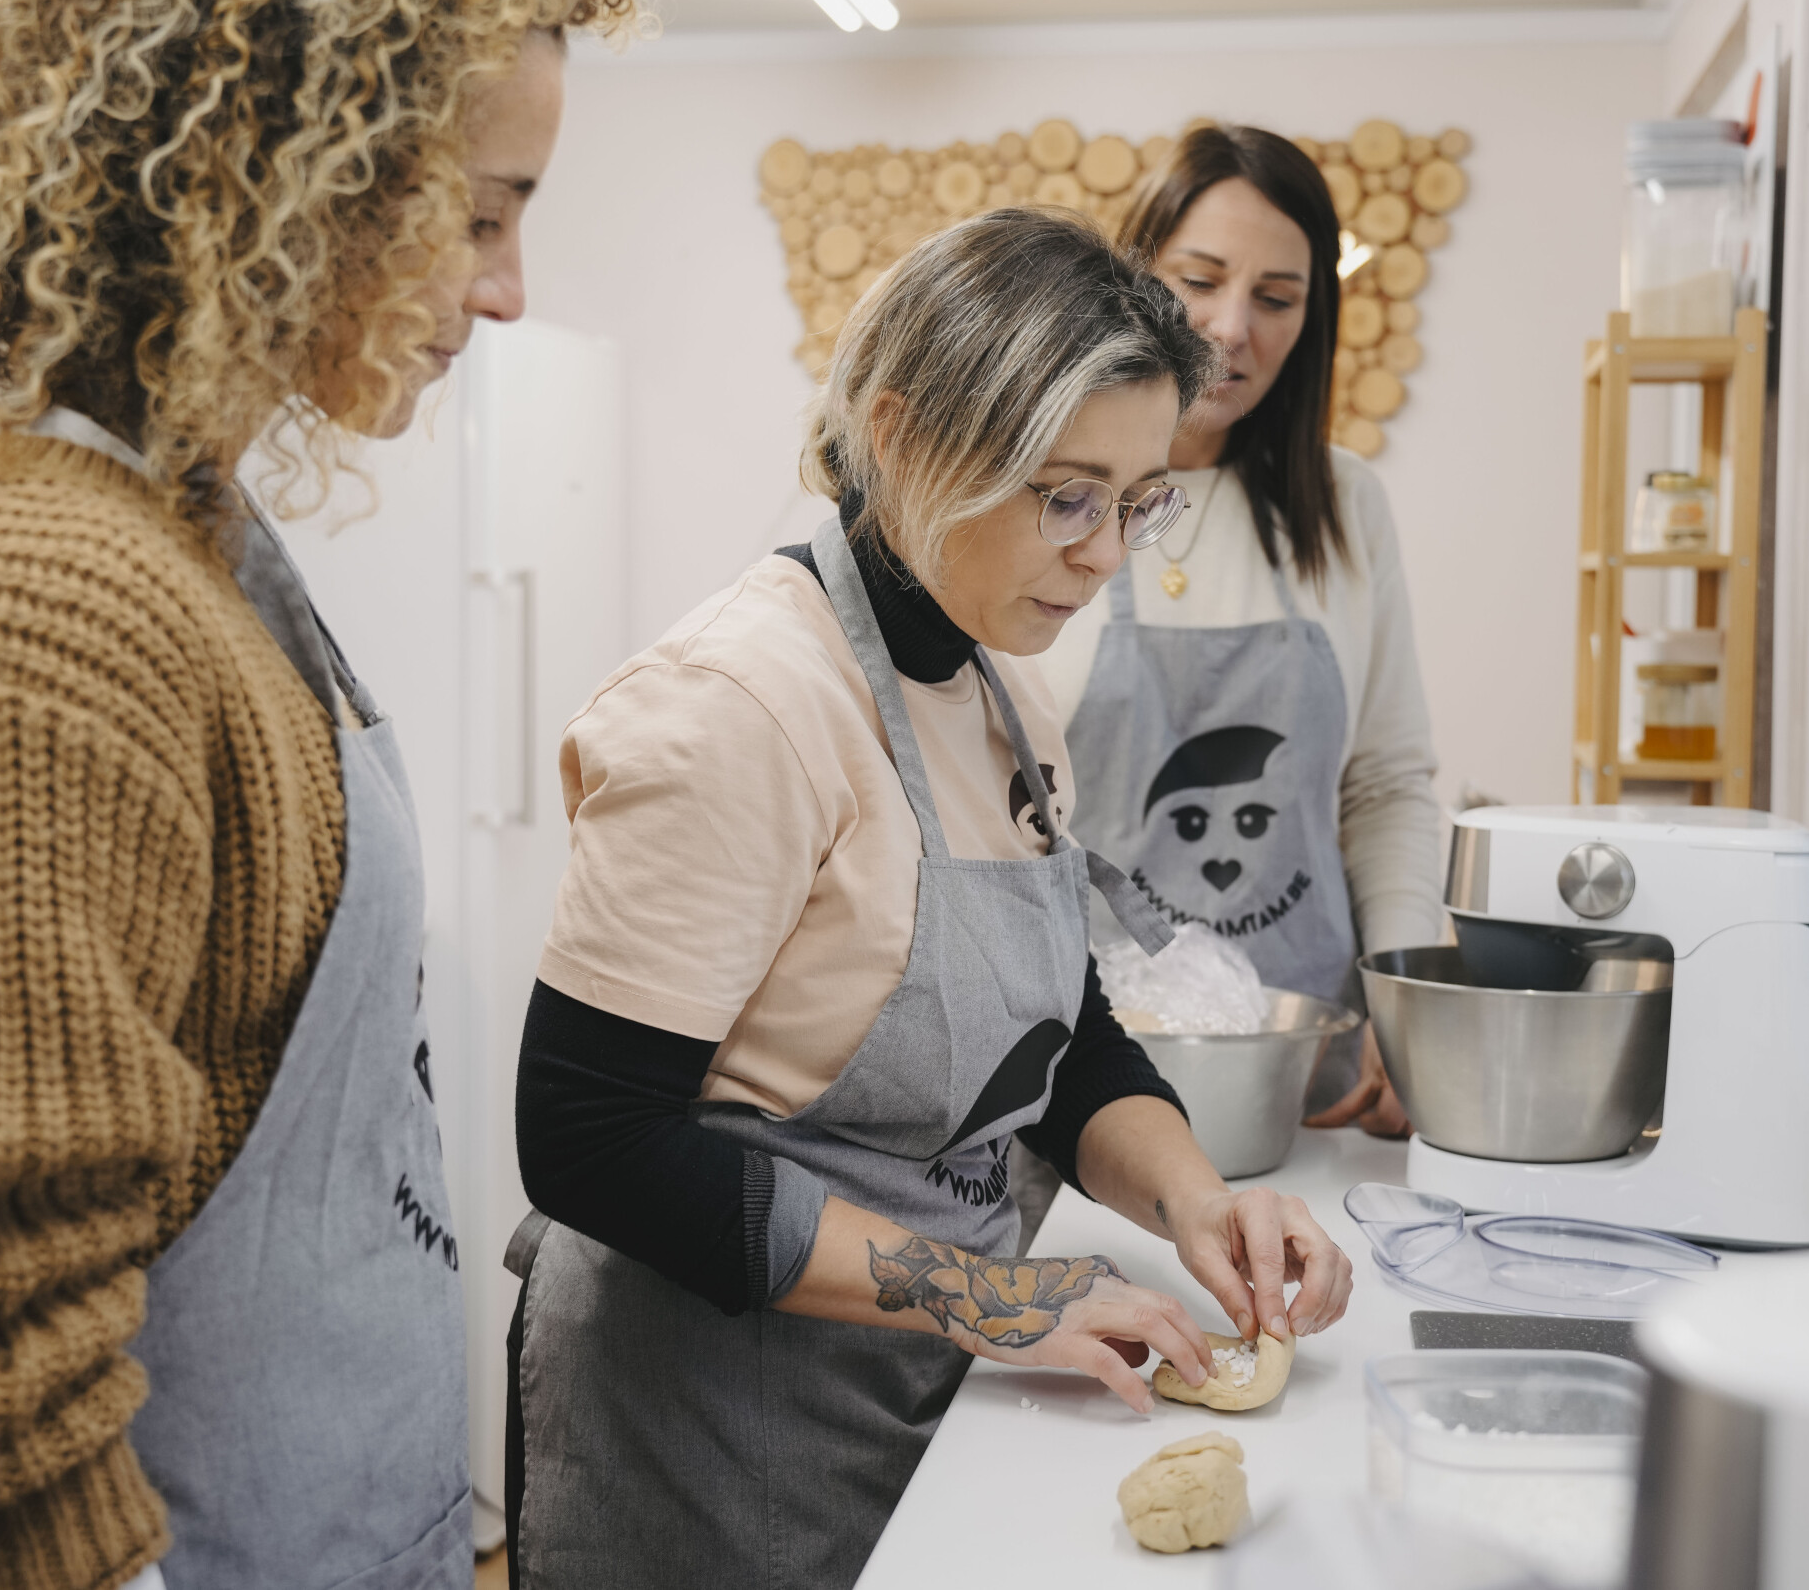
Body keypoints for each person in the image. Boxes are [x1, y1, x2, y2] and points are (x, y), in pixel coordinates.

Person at [0, 0, 632, 1589]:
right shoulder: (41, 613)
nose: (505, 290)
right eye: (477, 213)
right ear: (265, 170)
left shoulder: (190, 538)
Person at [505, 209, 1355, 1590]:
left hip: (907, 1386)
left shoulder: (1000, 690)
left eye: (1138, 501)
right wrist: (990, 1291)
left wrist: (1197, 1199)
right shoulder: (742, 706)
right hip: (715, 1425)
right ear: (900, 435)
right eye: (1067, 494)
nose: (1104, 554)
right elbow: (588, 1134)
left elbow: (1064, 1033)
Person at [1040, 124, 1446, 1139]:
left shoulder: (1345, 505)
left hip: (1305, 1074)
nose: (1230, 328)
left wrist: (1408, 1015)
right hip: (1080, 1080)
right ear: (1133, 275)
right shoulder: (1050, 494)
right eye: (1200, 279)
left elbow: (1387, 784)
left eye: (1276, 299)